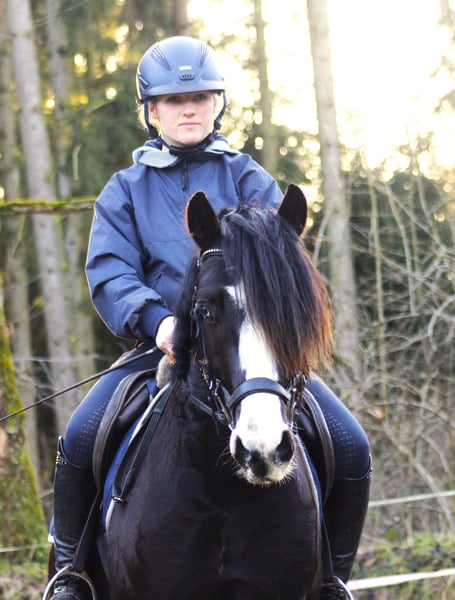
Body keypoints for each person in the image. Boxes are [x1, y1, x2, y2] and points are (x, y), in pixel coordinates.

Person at [49, 36, 371, 600]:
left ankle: (332, 580)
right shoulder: (124, 191)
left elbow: (285, 270)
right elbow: (110, 272)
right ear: (152, 111)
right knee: (81, 437)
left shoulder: (249, 179)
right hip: (163, 348)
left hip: (255, 351)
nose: (189, 109)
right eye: (174, 100)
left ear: (216, 103)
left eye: (199, 97)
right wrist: (158, 321)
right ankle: (71, 576)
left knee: (350, 444)